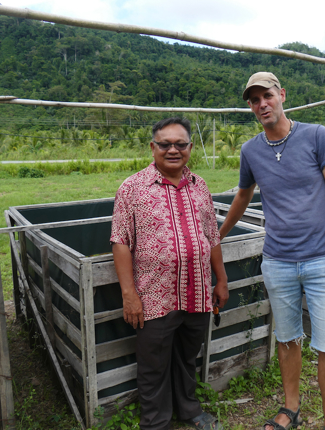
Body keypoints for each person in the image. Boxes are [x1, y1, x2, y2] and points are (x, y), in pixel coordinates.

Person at [219, 72, 325, 430]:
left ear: (282, 96)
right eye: (254, 99)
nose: (262, 104)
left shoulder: (316, 135)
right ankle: (291, 408)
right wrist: (218, 234)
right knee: (287, 337)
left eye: (268, 96)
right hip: (277, 260)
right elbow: (243, 196)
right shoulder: (250, 150)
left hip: (323, 259)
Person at [110, 117, 228, 430]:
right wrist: (129, 294)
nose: (172, 150)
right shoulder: (132, 188)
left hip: (198, 292)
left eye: (180, 144)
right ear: (153, 147)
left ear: (189, 147)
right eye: (165, 144)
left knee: (187, 357)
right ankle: (155, 423)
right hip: (154, 296)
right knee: (153, 365)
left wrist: (222, 280)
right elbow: (120, 241)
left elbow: (211, 235)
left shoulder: (200, 185)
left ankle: (188, 411)